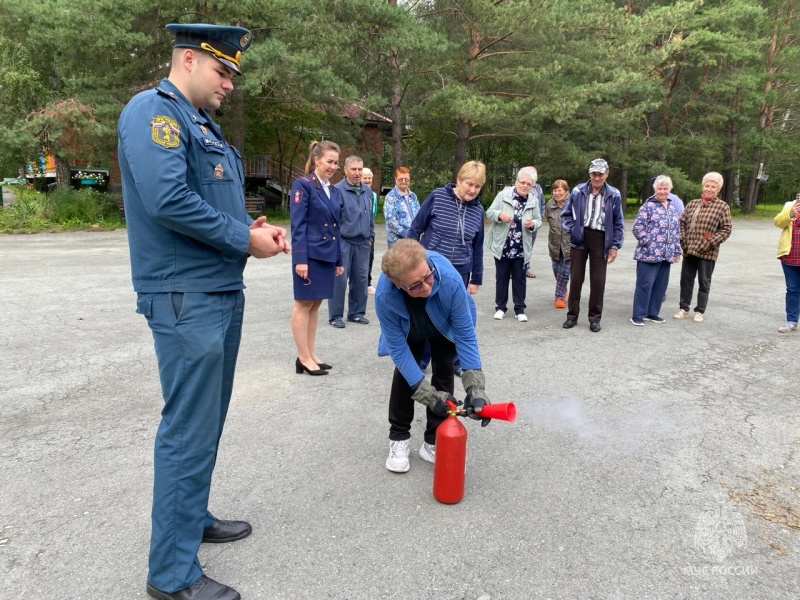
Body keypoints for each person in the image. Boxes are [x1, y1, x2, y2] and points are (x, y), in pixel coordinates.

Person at [118, 23, 290, 600]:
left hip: (214, 290)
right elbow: (167, 200)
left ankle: (191, 520)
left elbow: (203, 199)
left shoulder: (202, 124)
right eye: (222, 71)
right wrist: (244, 240)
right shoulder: (155, 112)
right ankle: (170, 576)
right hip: (184, 294)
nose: (230, 85)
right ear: (187, 59)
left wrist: (245, 229)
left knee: (206, 424)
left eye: (233, 75)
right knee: (187, 430)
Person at [375, 239, 491, 473]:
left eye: (427, 276)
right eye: (416, 285)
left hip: (443, 322)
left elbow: (465, 335)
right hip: (410, 326)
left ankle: (432, 441)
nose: (427, 287)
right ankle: (399, 437)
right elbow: (398, 349)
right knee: (405, 376)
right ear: (397, 284)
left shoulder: (447, 278)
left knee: (444, 367)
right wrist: (428, 396)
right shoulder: (384, 297)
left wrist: (475, 389)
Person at [408, 160, 486, 375]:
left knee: (458, 317)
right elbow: (415, 229)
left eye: (477, 186)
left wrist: (476, 278)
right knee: (424, 314)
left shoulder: (478, 211)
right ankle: (421, 359)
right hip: (430, 270)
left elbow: (478, 247)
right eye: (469, 184)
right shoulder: (437, 197)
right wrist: (410, 263)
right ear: (459, 180)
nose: (472, 190)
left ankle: (455, 361)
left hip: (460, 271)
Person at [290, 141, 345, 375]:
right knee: (303, 305)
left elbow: (336, 228)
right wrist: (299, 259)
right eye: (329, 161)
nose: (333, 166)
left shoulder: (333, 190)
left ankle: (310, 353)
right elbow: (298, 225)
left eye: (336, 162)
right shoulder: (303, 186)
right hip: (310, 256)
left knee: (315, 305)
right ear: (317, 160)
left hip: (326, 255)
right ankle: (303, 358)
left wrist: (338, 260)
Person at [561, 158, 624, 333]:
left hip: (601, 238)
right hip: (579, 237)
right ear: (589, 174)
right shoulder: (577, 191)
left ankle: (595, 318)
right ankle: (572, 315)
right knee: (576, 279)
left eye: (600, 174)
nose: (597, 178)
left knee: (598, 281)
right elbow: (565, 215)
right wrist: (573, 230)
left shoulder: (614, 194)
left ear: (607, 174)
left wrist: (614, 246)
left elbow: (618, 222)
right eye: (594, 174)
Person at [485, 166, 542, 322]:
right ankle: (500, 308)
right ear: (516, 181)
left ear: (532, 186)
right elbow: (489, 212)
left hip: (521, 246)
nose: (524, 186)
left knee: (520, 278)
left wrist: (532, 224)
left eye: (528, 184)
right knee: (501, 277)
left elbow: (539, 220)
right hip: (503, 244)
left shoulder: (533, 200)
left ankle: (520, 309)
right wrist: (499, 214)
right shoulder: (503, 195)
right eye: (522, 182)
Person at [674, 171, 732, 323]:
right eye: (707, 185)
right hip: (689, 249)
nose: (709, 189)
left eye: (713, 186)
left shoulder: (722, 206)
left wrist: (710, 242)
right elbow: (682, 222)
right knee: (686, 280)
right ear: (702, 186)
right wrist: (682, 240)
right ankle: (683, 308)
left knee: (704, 282)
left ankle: (699, 310)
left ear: (717, 189)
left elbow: (726, 229)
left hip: (707, 252)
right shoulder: (693, 204)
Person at [327, 155, 374, 327]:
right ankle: (335, 316)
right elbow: (332, 220)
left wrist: (371, 237)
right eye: (353, 169)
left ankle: (356, 313)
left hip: (362, 243)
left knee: (361, 279)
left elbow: (370, 216)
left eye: (360, 169)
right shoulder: (336, 190)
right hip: (343, 241)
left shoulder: (367, 191)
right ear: (345, 170)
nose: (357, 173)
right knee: (339, 279)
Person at [630, 175, 682, 326]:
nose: (662, 191)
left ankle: (653, 313)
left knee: (660, 286)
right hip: (648, 255)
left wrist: (676, 251)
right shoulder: (648, 206)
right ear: (655, 189)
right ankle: (638, 315)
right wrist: (649, 244)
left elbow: (676, 231)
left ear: (670, 190)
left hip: (666, 255)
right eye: (660, 188)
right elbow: (638, 228)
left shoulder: (672, 207)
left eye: (665, 188)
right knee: (644, 285)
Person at [774, 193, 800, 333]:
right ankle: (792, 321)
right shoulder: (790, 206)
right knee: (792, 289)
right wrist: (791, 213)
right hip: (791, 256)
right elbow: (778, 222)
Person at [546, 179, 571, 308]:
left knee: (564, 272)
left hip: (569, 246)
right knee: (556, 270)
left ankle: (559, 297)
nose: (557, 193)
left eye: (559, 190)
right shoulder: (549, 205)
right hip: (554, 245)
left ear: (566, 191)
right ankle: (563, 289)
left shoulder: (573, 203)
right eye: (555, 190)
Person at [383, 166, 419, 247]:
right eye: (400, 179)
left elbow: (419, 216)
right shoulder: (390, 197)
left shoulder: (413, 196)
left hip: (414, 240)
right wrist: (406, 234)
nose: (403, 181)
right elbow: (390, 221)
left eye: (406, 179)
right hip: (397, 242)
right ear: (395, 179)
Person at [523, 167, 546, 278]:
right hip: (522, 224)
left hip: (534, 225)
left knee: (529, 247)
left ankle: (526, 269)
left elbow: (542, 204)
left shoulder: (538, 188)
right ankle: (515, 271)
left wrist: (539, 218)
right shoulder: (522, 186)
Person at [362, 167, 379, 294]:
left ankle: (367, 283)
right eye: (365, 178)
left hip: (369, 232)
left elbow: (373, 215)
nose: (367, 180)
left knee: (370, 257)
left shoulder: (373, 195)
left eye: (369, 178)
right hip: (357, 232)